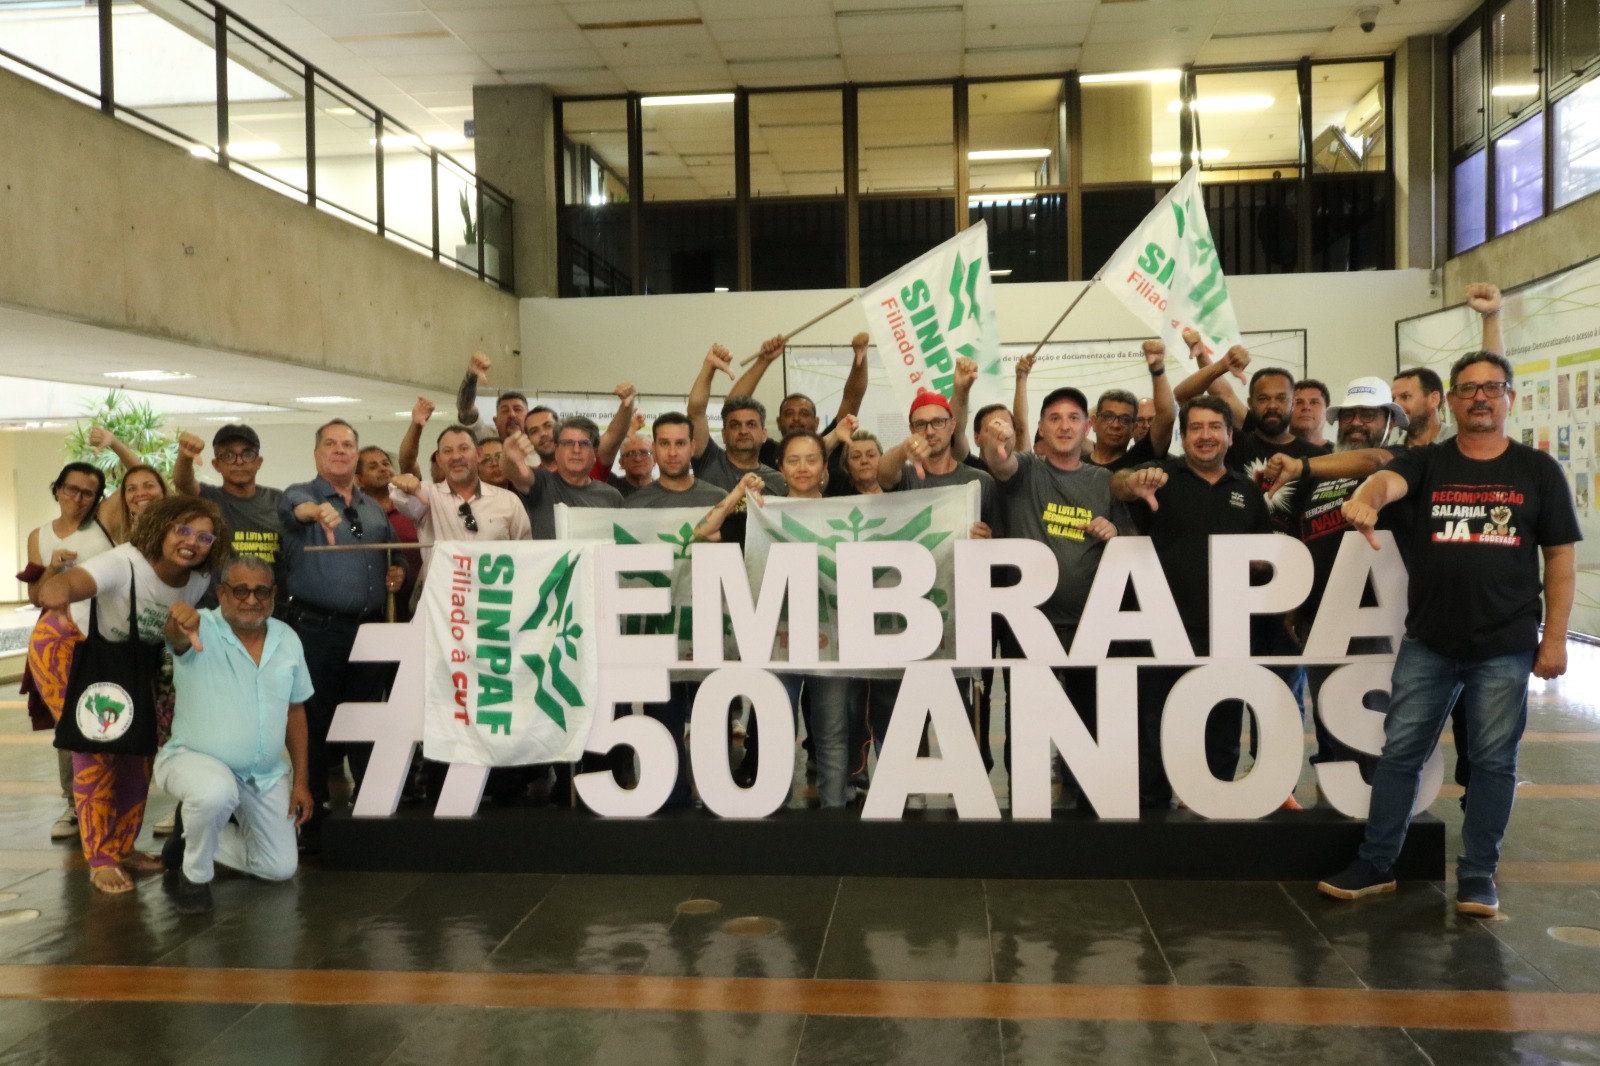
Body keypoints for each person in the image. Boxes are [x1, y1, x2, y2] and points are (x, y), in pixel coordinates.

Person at [1318, 350, 1579, 918]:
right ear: (1451, 400)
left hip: (1505, 646)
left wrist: (1554, 638)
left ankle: (1479, 875)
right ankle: (1377, 863)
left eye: (1492, 387)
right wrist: (1365, 498)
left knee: (1492, 762)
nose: (1480, 397)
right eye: (1468, 388)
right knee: (1399, 755)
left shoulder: (1538, 471)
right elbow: (1387, 479)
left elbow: (1559, 557)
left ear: (1509, 397)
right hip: (1430, 641)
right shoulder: (1428, 461)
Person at [35, 495, 230, 893]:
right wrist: (56, 590)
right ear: (161, 528)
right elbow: (74, 582)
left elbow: (174, 635)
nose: (192, 541)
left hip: (130, 659)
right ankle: (100, 858)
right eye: (183, 530)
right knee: (96, 747)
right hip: (72, 647)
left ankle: (123, 847)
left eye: (205, 536)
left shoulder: (198, 580)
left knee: (137, 751)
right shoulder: (122, 563)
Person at [1112, 396, 1272, 809]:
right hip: (1161, 630)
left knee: (1222, 726)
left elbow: (1266, 560)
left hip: (1227, 633)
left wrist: (1259, 567)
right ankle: (1152, 808)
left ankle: (1216, 807)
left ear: (1229, 435)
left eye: (1214, 427)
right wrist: (1132, 483)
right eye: (1196, 428)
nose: (1205, 436)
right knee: (1153, 727)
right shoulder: (1160, 478)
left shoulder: (1249, 494)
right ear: (1183, 437)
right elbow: (1117, 483)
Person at [982, 384, 1126, 805]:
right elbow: (999, 463)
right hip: (1028, 622)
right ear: (1041, 428)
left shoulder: (1105, 482)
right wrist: (996, 441)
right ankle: (1022, 797)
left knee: (1088, 717)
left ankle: (1085, 798)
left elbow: (1127, 536)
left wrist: (1114, 532)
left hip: (1089, 623)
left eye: (1074, 418)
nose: (1065, 426)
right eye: (1055, 418)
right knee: (1025, 716)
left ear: (1088, 428)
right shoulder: (1027, 468)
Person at [695, 435, 855, 809]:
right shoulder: (762, 512)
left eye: (811, 460)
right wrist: (738, 492)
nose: (802, 468)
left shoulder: (846, 513)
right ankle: (776, 812)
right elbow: (702, 532)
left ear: (824, 468)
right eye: (794, 460)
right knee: (775, 732)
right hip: (775, 639)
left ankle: (834, 816)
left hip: (832, 641)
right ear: (779, 468)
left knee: (831, 734)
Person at [156, 555, 313, 915]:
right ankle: (194, 878)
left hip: (265, 774)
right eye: (241, 590)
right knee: (214, 792)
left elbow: (295, 710)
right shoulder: (202, 628)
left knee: (280, 868)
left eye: (261, 591)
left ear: (274, 594)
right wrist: (178, 624)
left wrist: (301, 780)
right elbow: (176, 638)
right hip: (193, 760)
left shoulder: (287, 638)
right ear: (222, 592)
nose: (252, 599)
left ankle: (191, 837)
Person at [279, 419, 407, 851]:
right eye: (330, 444)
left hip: (368, 632)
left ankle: (370, 809)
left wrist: (398, 573)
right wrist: (317, 513)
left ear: (357, 454)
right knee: (312, 727)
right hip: (317, 631)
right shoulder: (301, 495)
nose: (339, 450)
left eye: (347, 444)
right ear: (317, 454)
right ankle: (311, 821)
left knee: (367, 719)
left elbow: (395, 556)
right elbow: (296, 512)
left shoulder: (372, 507)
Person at [22, 463, 114, 841]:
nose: (77, 498)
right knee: (67, 723)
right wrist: (53, 572)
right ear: (57, 489)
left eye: (87, 492)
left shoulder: (105, 528)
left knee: (109, 717)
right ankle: (74, 803)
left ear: (97, 498)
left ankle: (109, 798)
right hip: (59, 641)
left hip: (105, 638)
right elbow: (35, 596)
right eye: (71, 489)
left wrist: (112, 443)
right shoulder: (38, 535)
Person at [728, 331, 869, 470]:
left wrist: (860, 357)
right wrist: (764, 360)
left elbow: (852, 398)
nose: (796, 418)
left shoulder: (834, 439)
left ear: (817, 422)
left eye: (804, 413)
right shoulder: (766, 452)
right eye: (789, 413)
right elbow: (733, 409)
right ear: (778, 422)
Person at [172, 424, 286, 591]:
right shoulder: (209, 499)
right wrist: (185, 456)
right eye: (228, 455)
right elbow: (183, 482)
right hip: (220, 607)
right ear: (216, 465)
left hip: (271, 605)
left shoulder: (278, 500)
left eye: (247, 454)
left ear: (258, 462)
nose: (239, 461)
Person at [390, 425, 534, 546]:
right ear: (439, 460)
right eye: (448, 451)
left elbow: (524, 550)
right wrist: (406, 486)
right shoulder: (429, 495)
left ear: (478, 454)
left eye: (463, 448)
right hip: (442, 580)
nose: (456, 457)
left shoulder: (508, 500)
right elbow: (405, 502)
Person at [687, 343, 788, 495]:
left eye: (751, 424)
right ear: (724, 434)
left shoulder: (780, 482)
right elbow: (696, 412)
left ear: (764, 434)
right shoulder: (709, 461)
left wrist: (763, 360)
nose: (743, 431)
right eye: (735, 425)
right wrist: (709, 368)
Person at [503, 415, 624, 539]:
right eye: (568, 443)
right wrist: (509, 457)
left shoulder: (612, 497)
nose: (576, 450)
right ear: (556, 451)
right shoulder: (541, 483)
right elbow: (515, 472)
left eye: (584, 444)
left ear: (594, 453)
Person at [1084, 342, 1175, 472]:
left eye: (1125, 419)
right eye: (1108, 417)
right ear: (1094, 422)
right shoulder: (1076, 465)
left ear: (1134, 428)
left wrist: (1157, 369)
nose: (1116, 425)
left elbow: (1166, 416)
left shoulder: (1142, 460)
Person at [356, 445, 423, 621]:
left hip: (421, 605)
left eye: (386, 463)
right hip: (373, 611)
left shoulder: (413, 504)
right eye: (373, 466)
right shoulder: (354, 514)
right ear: (358, 479)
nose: (383, 468)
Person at [455, 351, 529, 442]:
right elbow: (466, 411)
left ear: (529, 418)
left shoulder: (541, 446)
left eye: (517, 409)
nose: (511, 415)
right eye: (505, 410)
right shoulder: (488, 439)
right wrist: (471, 376)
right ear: (496, 421)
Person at [100, 464, 169, 547]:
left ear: (163, 490)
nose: (140, 493)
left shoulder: (180, 526)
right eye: (132, 489)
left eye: (149, 486)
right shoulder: (123, 538)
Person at [613, 433, 656, 497]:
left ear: (655, 459)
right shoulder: (611, 492)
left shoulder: (666, 492)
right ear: (621, 462)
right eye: (630, 454)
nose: (638, 459)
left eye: (644, 453)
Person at [1291, 380, 1331, 449]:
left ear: (1327, 412)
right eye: (1299, 402)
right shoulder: (1271, 451)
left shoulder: (1339, 454)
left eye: (1314, 402)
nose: (1306, 407)